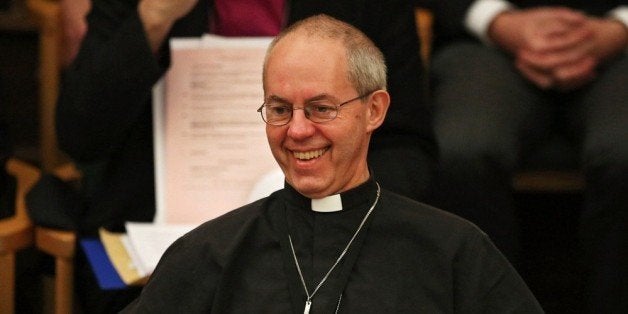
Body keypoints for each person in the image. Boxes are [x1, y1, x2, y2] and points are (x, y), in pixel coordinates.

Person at [121, 14, 542, 313]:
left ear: (374, 111)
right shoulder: (209, 253)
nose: (298, 131)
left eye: (321, 109)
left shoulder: (453, 251)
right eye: (280, 109)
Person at [56, 0, 434, 312]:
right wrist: (150, 20)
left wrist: (334, 209)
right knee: (103, 269)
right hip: (146, 228)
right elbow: (79, 136)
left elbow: (407, 148)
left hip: (324, 231)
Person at [427, 0, 628, 312]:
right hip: (481, 40)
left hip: (621, 43)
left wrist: (620, 28)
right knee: (462, 151)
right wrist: (498, 22)